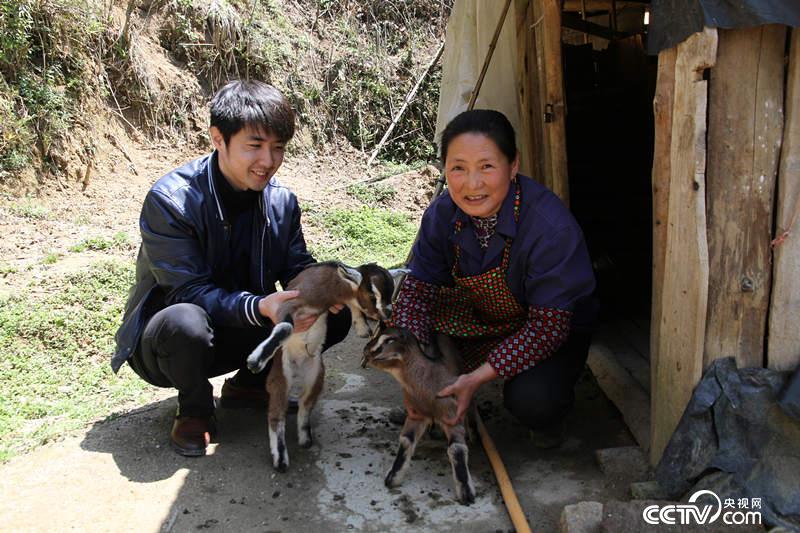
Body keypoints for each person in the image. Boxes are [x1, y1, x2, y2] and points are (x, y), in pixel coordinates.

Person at [111, 80, 350, 457]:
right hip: (169, 343)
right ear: (218, 138)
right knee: (185, 321)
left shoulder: (282, 202)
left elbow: (296, 265)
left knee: (334, 315)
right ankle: (194, 408)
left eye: (278, 148)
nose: (268, 162)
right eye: (254, 146)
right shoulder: (171, 200)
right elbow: (186, 291)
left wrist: (324, 291)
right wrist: (260, 308)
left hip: (245, 326)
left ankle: (248, 385)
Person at [390, 109, 596, 448]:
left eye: (487, 166)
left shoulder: (549, 226)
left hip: (549, 328)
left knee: (534, 400)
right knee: (410, 332)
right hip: (482, 319)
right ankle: (440, 399)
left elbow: (547, 329)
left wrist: (476, 378)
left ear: (513, 165)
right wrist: (416, 375)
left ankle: (546, 414)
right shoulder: (442, 215)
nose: (472, 184)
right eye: (458, 168)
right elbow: (416, 294)